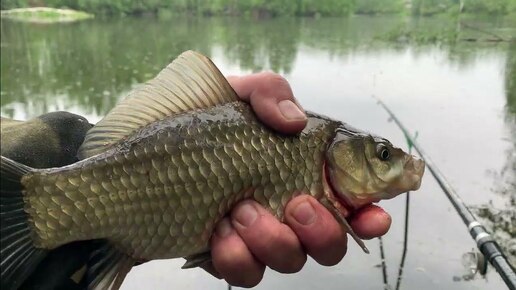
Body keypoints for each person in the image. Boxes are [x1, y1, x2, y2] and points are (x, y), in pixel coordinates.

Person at [1, 72, 391, 289]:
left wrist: (68, 157)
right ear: (337, 157)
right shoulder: (311, 141)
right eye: (383, 155)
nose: (393, 165)